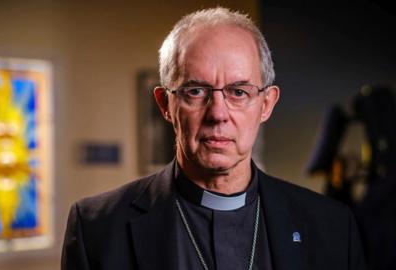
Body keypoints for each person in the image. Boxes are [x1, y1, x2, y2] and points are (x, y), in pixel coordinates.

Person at [61, 7, 366, 270]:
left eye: (238, 92)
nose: (218, 113)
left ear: (266, 104)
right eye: (196, 91)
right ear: (165, 105)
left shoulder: (333, 227)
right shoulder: (97, 228)